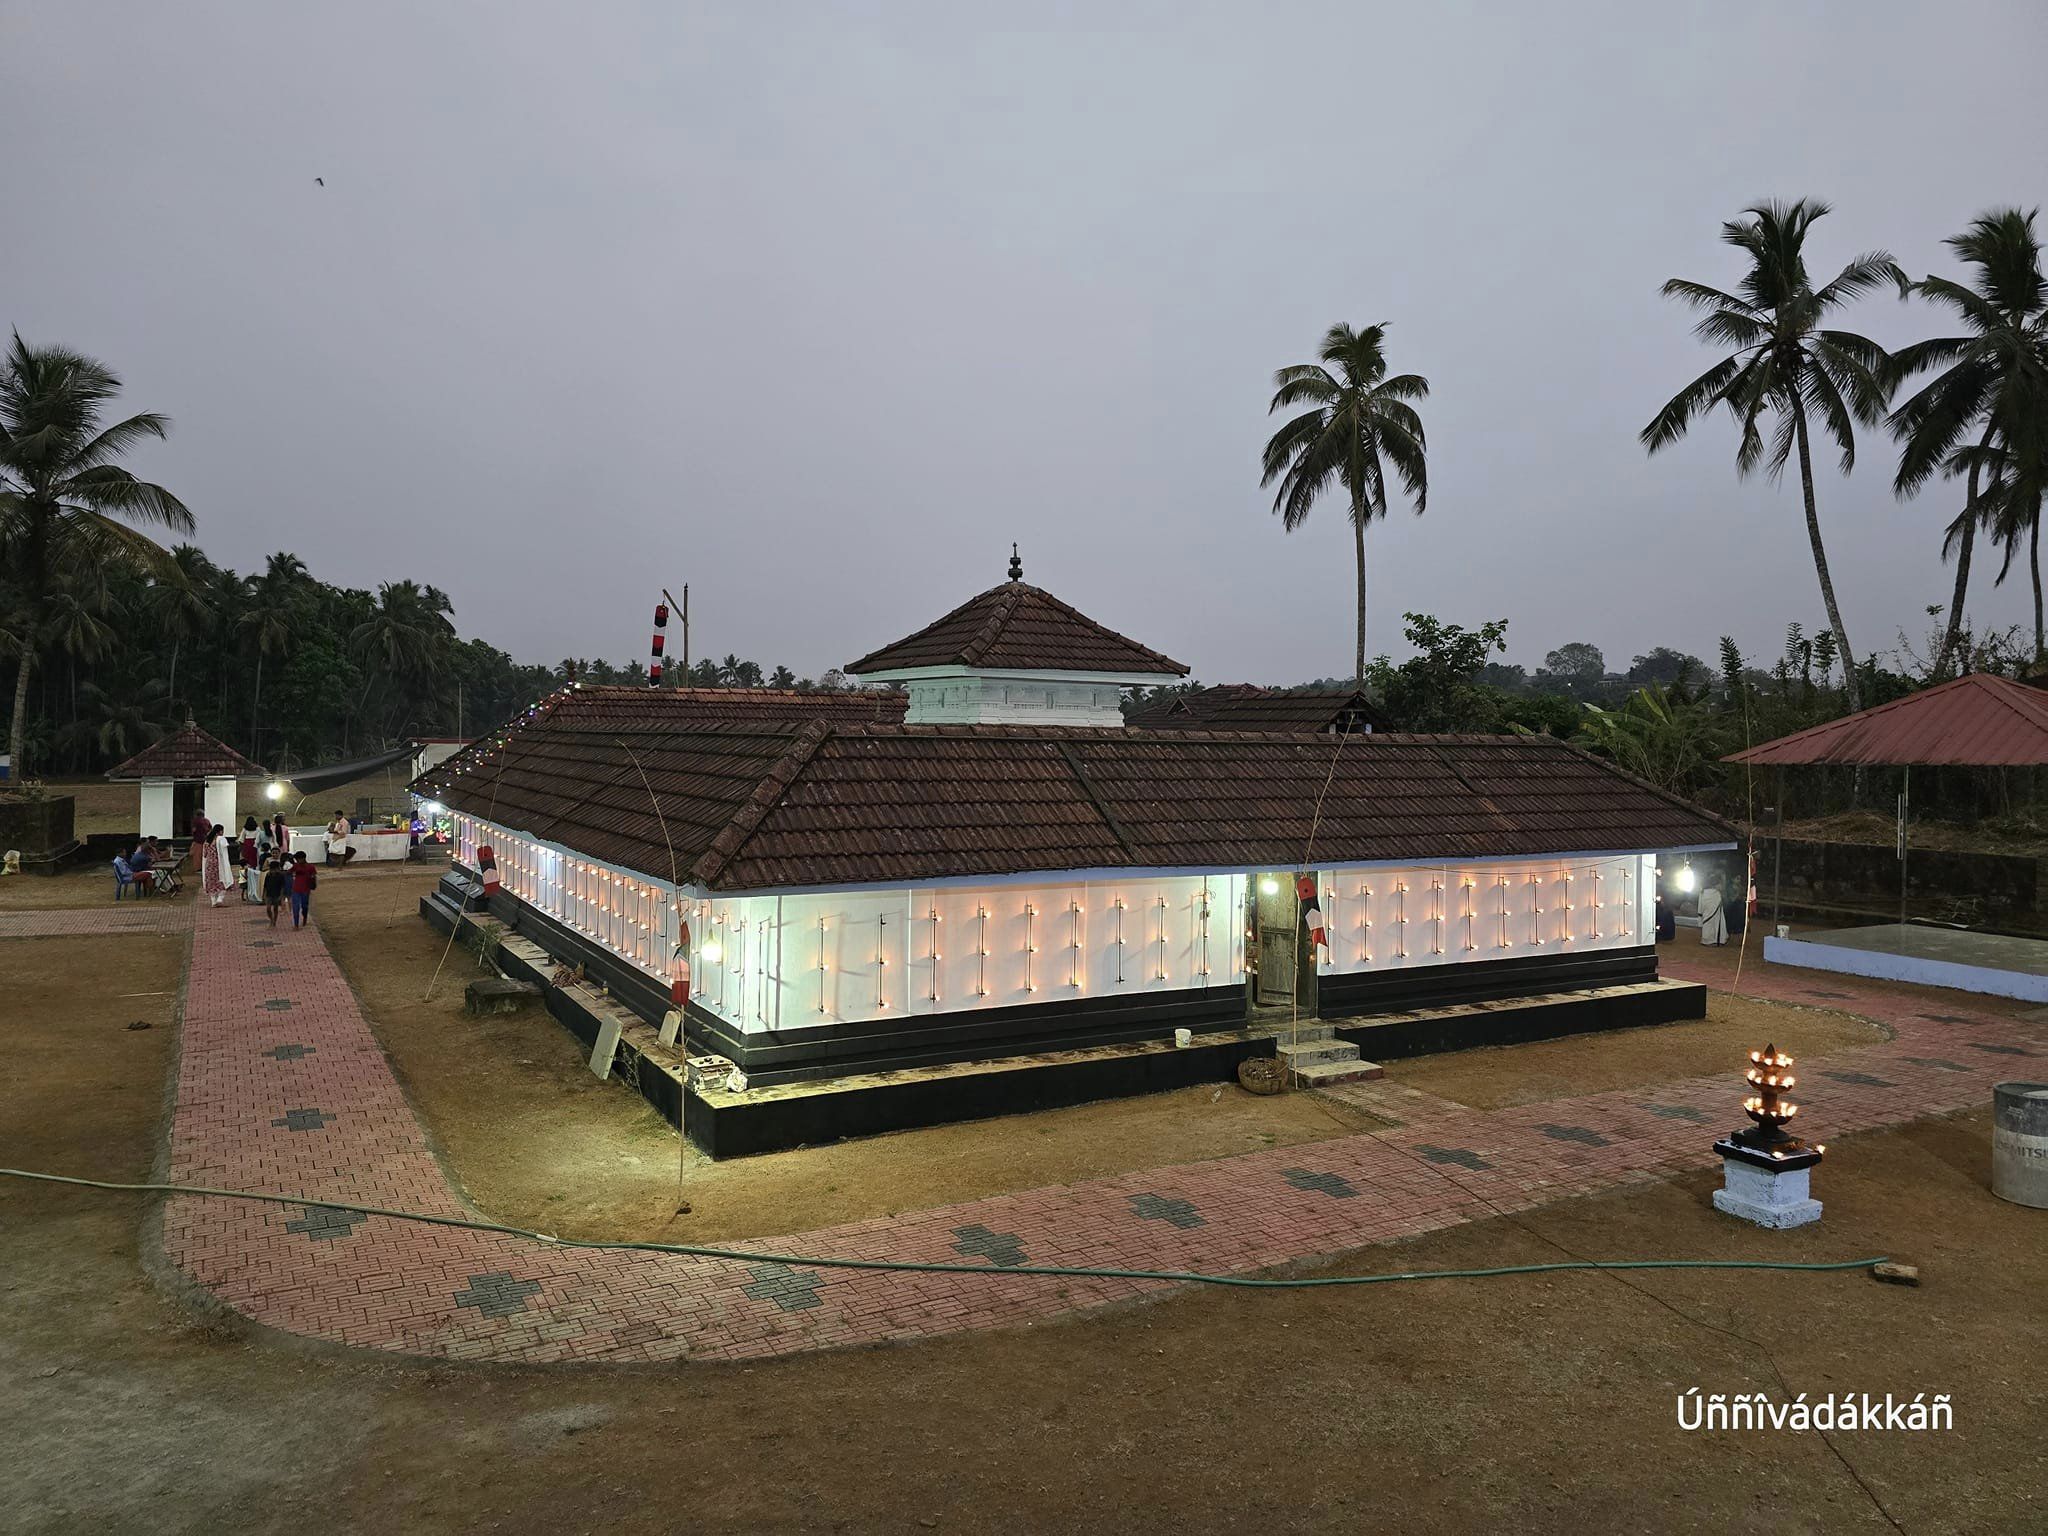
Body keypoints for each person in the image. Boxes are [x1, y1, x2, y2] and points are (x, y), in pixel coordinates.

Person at [202, 822, 233, 907]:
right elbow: (224, 849)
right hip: (218, 863)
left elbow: (204, 854)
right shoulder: (220, 839)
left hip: (208, 864)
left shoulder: (207, 840)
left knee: (211, 882)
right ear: (219, 831)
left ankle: (213, 901)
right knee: (222, 880)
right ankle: (220, 898)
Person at [288, 851, 318, 928]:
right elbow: (288, 872)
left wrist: (313, 883)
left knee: (304, 906)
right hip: (296, 889)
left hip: (305, 889)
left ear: (303, 858)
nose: (297, 861)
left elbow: (314, 876)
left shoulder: (310, 867)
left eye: (298, 859)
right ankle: (296, 924)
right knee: (296, 907)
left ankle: (304, 918)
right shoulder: (296, 865)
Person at [1698, 873, 1728, 947]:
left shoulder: (1703, 892)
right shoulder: (1716, 893)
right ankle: (1717, 940)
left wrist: (1700, 914)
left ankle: (1710, 940)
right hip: (1712, 912)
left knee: (1709, 924)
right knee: (1713, 923)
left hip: (1707, 912)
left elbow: (1700, 905)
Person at [262, 855, 289, 928]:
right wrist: (264, 894)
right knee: (268, 908)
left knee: (275, 908)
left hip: (277, 894)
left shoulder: (281, 876)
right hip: (269, 894)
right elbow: (265, 885)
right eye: (272, 869)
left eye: (275, 869)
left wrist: (281, 895)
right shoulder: (268, 875)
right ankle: (271, 919)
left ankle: (274, 921)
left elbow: (283, 886)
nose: (273, 871)